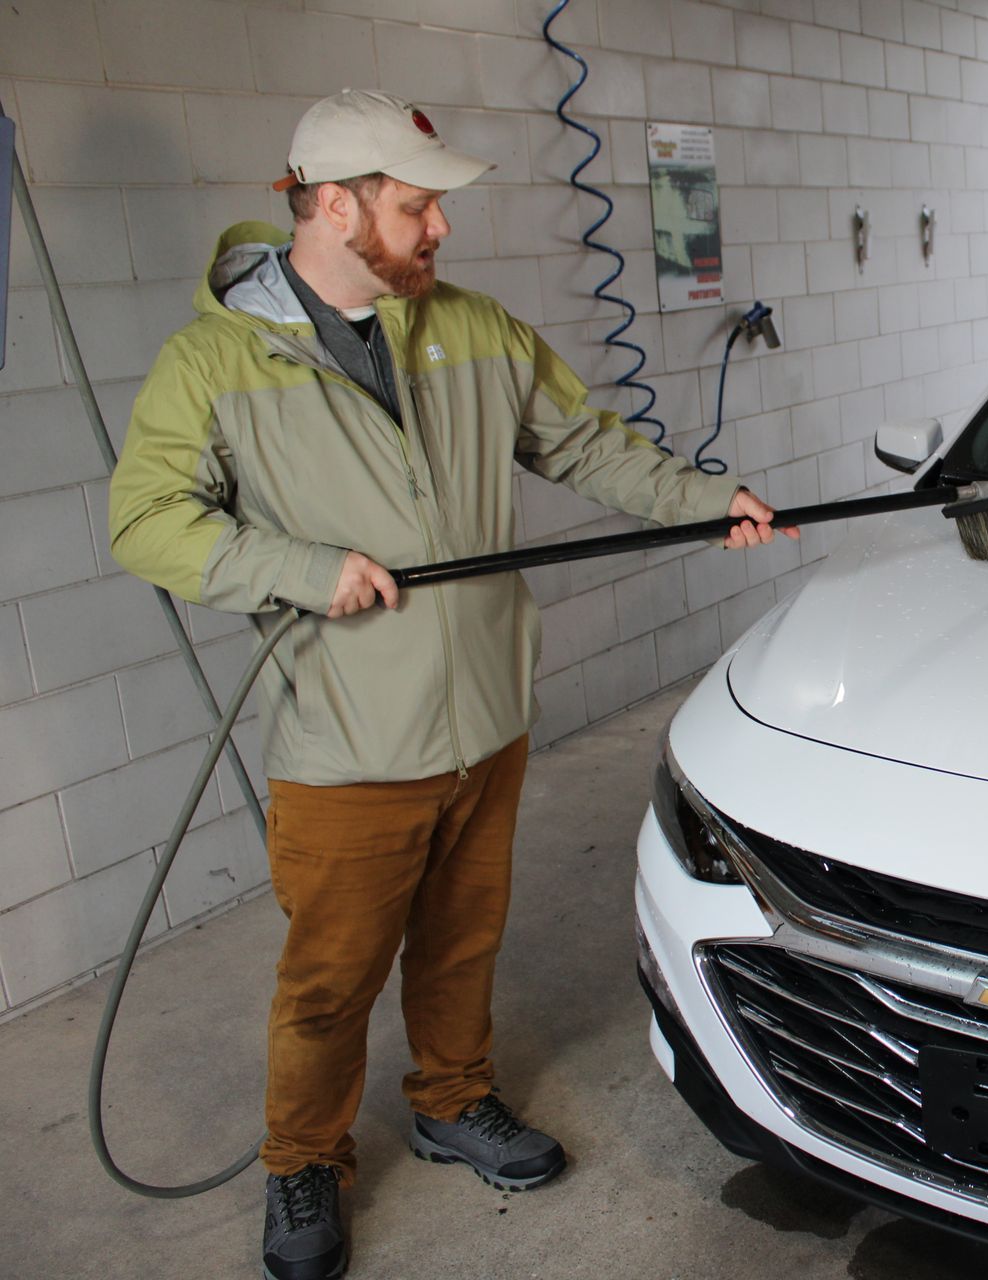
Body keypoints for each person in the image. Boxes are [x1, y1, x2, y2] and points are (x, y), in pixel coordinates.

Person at [107, 88, 796, 1280]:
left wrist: (703, 499)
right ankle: (303, 1161)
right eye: (416, 206)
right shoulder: (213, 360)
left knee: (463, 940)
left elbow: (585, 445)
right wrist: (301, 568)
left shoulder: (473, 328)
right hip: (347, 742)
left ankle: (452, 1096)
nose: (440, 230)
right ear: (334, 205)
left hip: (486, 712)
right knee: (328, 979)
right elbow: (148, 521)